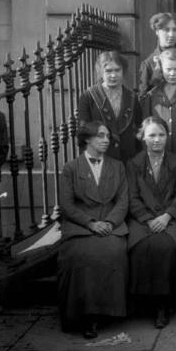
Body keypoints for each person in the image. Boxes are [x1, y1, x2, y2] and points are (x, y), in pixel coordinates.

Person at [57, 122, 129, 339]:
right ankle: (85, 316)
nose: (106, 140)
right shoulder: (71, 168)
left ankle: (108, 312)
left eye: (107, 135)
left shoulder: (117, 166)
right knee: (80, 255)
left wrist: (109, 222)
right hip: (81, 227)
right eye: (100, 136)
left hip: (110, 225)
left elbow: (123, 201)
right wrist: (90, 223)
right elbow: (67, 205)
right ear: (87, 139)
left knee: (112, 251)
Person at [126, 117, 176, 329]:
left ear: (167, 137)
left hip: (170, 218)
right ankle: (143, 302)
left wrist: (167, 216)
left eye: (161, 135)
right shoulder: (134, 164)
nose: (157, 140)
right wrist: (147, 218)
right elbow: (132, 197)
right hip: (144, 219)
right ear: (142, 137)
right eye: (151, 135)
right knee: (140, 245)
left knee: (166, 246)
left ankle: (163, 303)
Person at [78, 51, 142, 163]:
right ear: (100, 72)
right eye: (108, 71)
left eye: (117, 70)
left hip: (127, 160)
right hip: (100, 158)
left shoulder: (132, 97)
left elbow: (139, 128)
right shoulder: (89, 96)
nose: (113, 75)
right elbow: (84, 133)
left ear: (123, 71)